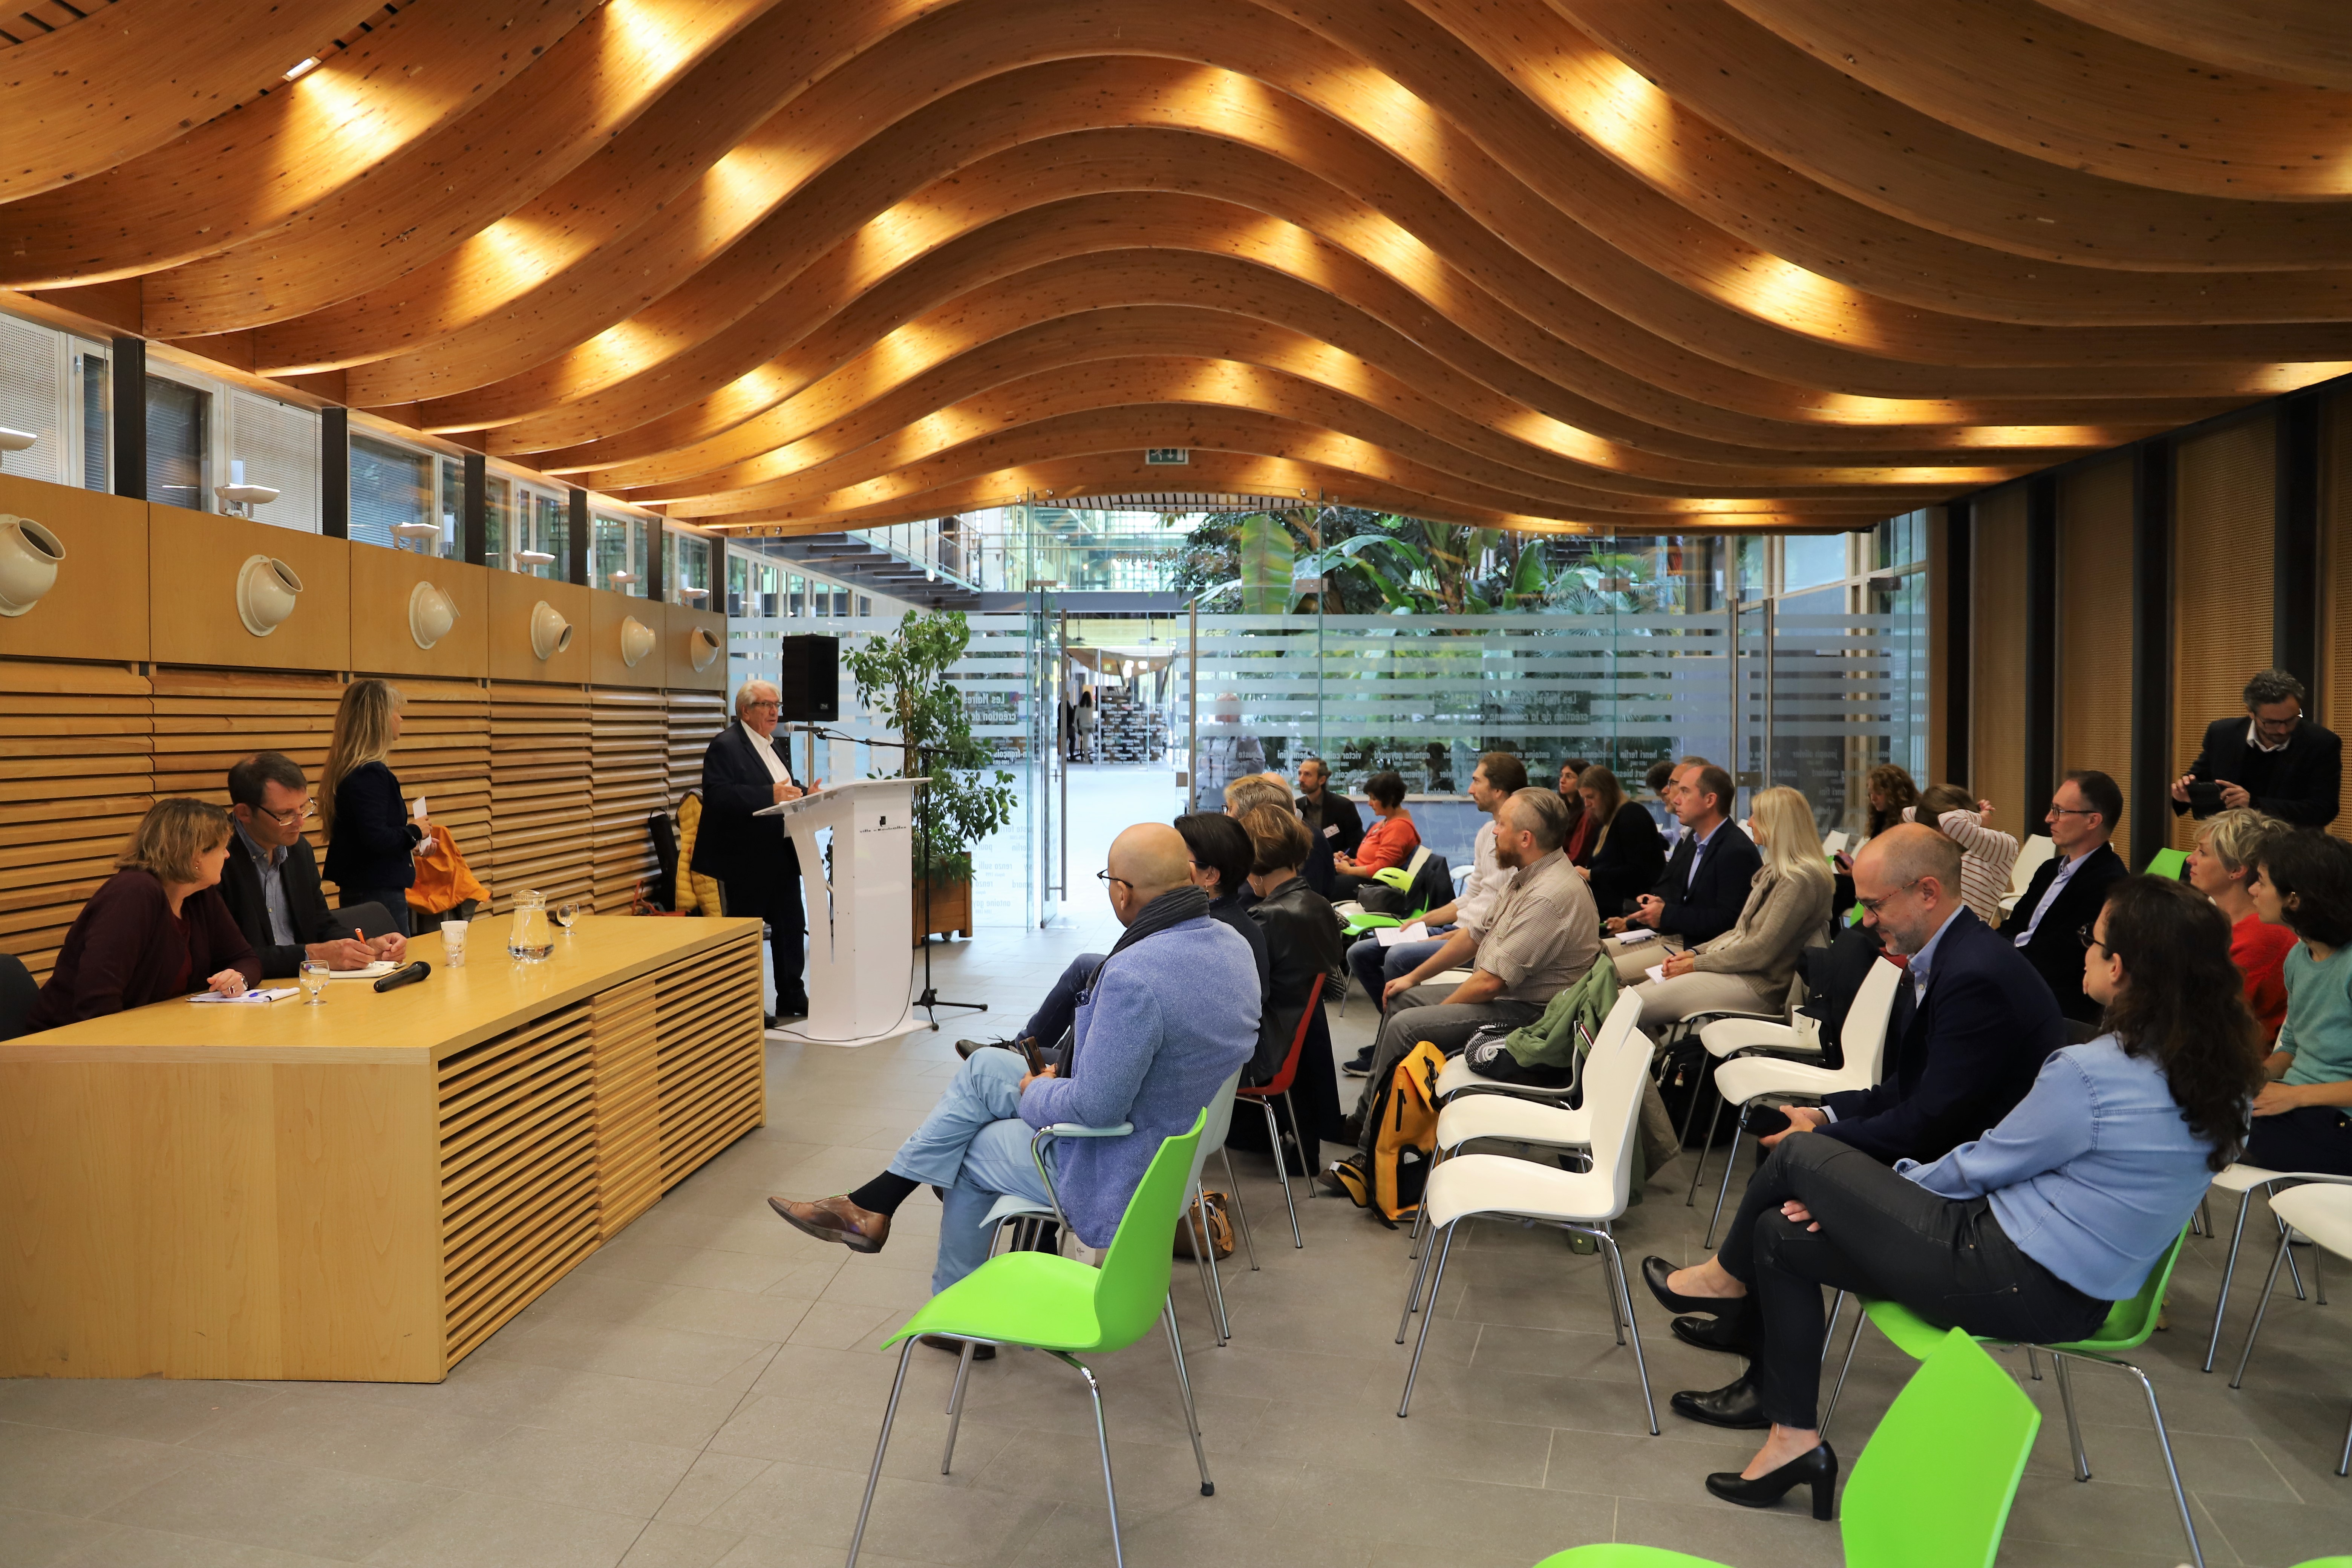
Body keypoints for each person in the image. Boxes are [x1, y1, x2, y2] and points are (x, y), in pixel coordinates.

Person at [1643, 874, 2262, 1515]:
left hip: (2011, 1272)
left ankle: (1723, 1277)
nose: (2083, 951)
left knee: (1801, 1155)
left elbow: (1982, 1167)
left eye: (2092, 940)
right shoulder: (2227, 1079)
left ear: (2123, 968)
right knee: (1781, 1234)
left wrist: (1870, 1196)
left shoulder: (2094, 1072)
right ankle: (1792, 1438)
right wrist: (1854, 1205)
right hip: (2078, 1290)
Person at [767, 824, 1259, 1344]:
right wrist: (1050, 1081)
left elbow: (1097, 1109)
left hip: (1117, 1165)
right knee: (982, 1071)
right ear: (1187, 877)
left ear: (1122, 891)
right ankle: (873, 1204)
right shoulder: (1231, 945)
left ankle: (954, 1317)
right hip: (1175, 1147)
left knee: (968, 1152)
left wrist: (1036, 1091)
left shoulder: (1135, 974)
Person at [1331, 788, 1600, 1171]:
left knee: (1408, 1024)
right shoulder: (1528, 875)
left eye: (1502, 825)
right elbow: (1473, 934)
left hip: (1533, 1016)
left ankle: (1371, 1150)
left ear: (1526, 838)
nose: (1494, 832)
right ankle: (1368, 1119)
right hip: (1512, 998)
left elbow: (1492, 983)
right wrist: (1413, 979)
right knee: (1404, 1001)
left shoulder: (1549, 896)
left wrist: (1436, 1015)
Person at [955, 812, 1268, 1067]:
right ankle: (1023, 1046)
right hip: (1192, 1061)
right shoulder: (1228, 929)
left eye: (1179, 860)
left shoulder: (1205, 931)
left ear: (1209, 876)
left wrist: (1050, 1085)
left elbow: (1097, 1092)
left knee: (984, 1074)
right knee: (1088, 968)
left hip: (1166, 1065)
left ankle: (1016, 1056)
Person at [1341, 752, 1525, 1053]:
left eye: (1477, 781)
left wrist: (1451, 933)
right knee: (1360, 953)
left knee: (1397, 957)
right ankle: (1392, 1033)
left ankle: (1401, 1042)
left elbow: (1500, 918)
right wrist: (1423, 921)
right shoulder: (1485, 833)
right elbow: (1471, 897)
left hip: (1475, 939)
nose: (1469, 789)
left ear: (1499, 791)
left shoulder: (1516, 841)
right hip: (1459, 930)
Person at [26, 799, 262, 1029]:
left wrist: (238, 978)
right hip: (68, 1044)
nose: (227, 856)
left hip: (155, 1032)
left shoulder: (199, 895)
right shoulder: (133, 893)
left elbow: (246, 958)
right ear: (196, 855)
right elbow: (96, 1001)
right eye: (222, 847)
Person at [1627, 786, 1832, 1031]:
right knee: (1628, 1000)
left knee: (1632, 1008)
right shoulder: (1776, 872)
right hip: (1739, 973)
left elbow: (1761, 950)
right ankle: (1658, 1065)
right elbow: (1741, 932)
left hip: (1760, 986)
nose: (1751, 823)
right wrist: (1695, 954)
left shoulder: (1800, 879)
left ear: (1776, 823)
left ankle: (1654, 1067)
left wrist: (1697, 963)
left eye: (1757, 816)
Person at [219, 751, 406, 977]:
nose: (300, 823)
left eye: (304, 808)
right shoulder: (217, 858)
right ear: (244, 813)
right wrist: (311, 955)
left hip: (303, 986)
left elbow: (321, 923)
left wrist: (365, 946)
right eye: (286, 814)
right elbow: (227, 956)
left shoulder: (299, 850)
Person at [692, 680, 810, 1024]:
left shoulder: (775, 746)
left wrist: (805, 791)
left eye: (777, 704)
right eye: (766, 705)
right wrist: (769, 796)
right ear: (746, 711)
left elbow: (783, 787)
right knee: (747, 934)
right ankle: (745, 1005)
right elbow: (718, 796)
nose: (775, 711)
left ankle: (792, 995)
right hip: (745, 859)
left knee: (791, 925)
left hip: (781, 852)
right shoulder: (726, 747)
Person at [1237, 804, 1350, 1160]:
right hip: (1292, 1045)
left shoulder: (1264, 918)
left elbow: (1243, 998)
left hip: (1264, 1054)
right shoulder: (1320, 906)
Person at [2244, 830, 2352, 1176]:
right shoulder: (2298, 957)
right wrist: (2251, 1079)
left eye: (2260, 882)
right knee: (2189, 1107)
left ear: (2294, 899)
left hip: (2338, 1122)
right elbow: (2290, 1045)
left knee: (2197, 1130)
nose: (2252, 891)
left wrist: (2294, 1097)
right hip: (2299, 1108)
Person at [1607, 762, 1762, 982]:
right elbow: (1678, 895)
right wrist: (1653, 908)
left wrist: (1666, 914)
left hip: (1699, 952)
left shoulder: (1735, 850)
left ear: (1710, 800)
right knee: (1594, 959)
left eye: (1685, 792)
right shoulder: (1697, 840)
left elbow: (1731, 921)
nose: (1676, 799)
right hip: (1678, 940)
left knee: (1603, 976)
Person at [1999, 770, 2128, 1024]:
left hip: (2056, 1002)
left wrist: (1999, 960)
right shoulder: (2050, 869)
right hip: (2019, 976)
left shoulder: (2110, 882)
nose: (2049, 819)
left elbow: (2063, 958)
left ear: (2093, 821)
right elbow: (2013, 926)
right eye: (2052, 809)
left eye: (2060, 811)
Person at [2173, 668, 2343, 830]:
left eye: (2291, 720)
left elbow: (2323, 809)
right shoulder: (2222, 734)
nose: (2283, 730)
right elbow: (2200, 779)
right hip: (2229, 843)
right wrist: (2187, 794)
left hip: (2291, 848)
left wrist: (2254, 804)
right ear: (2251, 713)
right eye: (2272, 723)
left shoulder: (2321, 743)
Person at [320, 678, 424, 939]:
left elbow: (368, 835)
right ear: (379, 718)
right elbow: (375, 837)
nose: (401, 719)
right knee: (392, 965)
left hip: (370, 889)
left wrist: (407, 843)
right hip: (377, 894)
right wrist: (414, 832)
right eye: (396, 712)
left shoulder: (355, 770)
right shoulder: (369, 773)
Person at [2186, 807, 2295, 1043]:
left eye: (2203, 853)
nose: (2190, 859)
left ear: (2236, 870)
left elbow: (2203, 1017)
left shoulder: (2263, 936)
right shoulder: (2211, 917)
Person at [1904, 782, 2018, 927]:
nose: (1934, 840)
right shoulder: (1944, 854)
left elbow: (1950, 821)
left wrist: (1981, 817)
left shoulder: (2001, 848)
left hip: (1965, 941)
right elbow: (1907, 814)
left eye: (1938, 832)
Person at [1576, 764, 1667, 914]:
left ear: (1607, 793)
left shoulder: (1632, 815)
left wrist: (1592, 875)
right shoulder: (1605, 821)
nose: (1587, 804)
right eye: (1584, 798)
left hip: (1627, 908)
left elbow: (1639, 871)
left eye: (1591, 797)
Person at [1331, 769, 1418, 898]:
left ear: (1390, 799)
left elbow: (1381, 868)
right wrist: (1351, 861)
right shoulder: (1386, 822)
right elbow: (1373, 861)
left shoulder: (1399, 828)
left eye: (1374, 799)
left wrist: (1349, 870)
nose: (1370, 803)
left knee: (1323, 886)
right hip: (1364, 877)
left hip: (1374, 885)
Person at [1295, 755, 1364, 896]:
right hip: (1303, 868)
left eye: (1307, 775)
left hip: (1333, 869)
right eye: (1300, 773)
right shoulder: (1297, 807)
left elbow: (1357, 843)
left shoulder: (1343, 807)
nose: (1301, 779)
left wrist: (1343, 856)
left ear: (1322, 780)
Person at [1193, 692, 1266, 810]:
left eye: (1223, 712)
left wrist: (1226, 769)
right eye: (1217, 711)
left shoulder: (1247, 736)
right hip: (1208, 799)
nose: (1218, 716)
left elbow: (1259, 764)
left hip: (1237, 800)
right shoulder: (1208, 733)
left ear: (1236, 714)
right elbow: (1191, 763)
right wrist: (1203, 762)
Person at [1863, 764, 1919, 842]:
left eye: (1879, 793)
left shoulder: (1911, 820)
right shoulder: (1879, 817)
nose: (1873, 799)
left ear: (1895, 794)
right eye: (1871, 793)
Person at [1073, 687, 1098, 763]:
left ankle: (1087, 756)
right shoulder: (1092, 706)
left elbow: (1076, 718)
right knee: (1096, 740)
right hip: (1092, 726)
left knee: (1085, 742)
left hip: (1084, 726)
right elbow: (1095, 717)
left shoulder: (1080, 707)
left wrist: (1077, 729)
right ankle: (1098, 754)